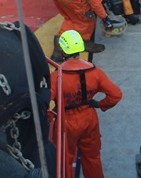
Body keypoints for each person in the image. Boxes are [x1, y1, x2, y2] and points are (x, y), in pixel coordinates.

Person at [49, 30, 122, 178]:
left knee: (64, 161)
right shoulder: (95, 72)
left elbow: (43, 101)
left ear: (63, 49)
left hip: (66, 122)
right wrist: (101, 104)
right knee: (92, 158)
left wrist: (50, 116)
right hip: (89, 118)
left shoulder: (57, 77)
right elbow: (116, 95)